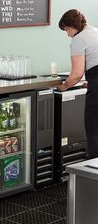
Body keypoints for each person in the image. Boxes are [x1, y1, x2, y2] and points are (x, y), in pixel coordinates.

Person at [58, 9, 98, 158]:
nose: (67, 34)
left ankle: (94, 170)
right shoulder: (95, 31)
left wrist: (63, 86)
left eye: (66, 29)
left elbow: (76, 74)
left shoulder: (78, 39)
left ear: (72, 26)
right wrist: (93, 82)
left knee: (94, 128)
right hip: (95, 81)